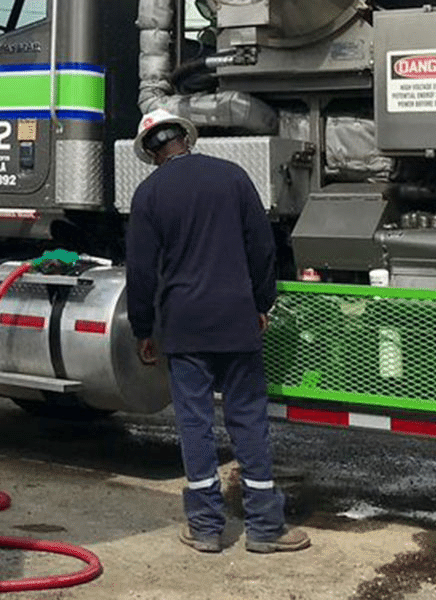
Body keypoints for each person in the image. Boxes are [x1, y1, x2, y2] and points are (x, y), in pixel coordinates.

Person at [124, 109, 311, 554]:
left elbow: (142, 271)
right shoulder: (232, 176)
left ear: (151, 153)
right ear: (186, 139)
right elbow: (262, 247)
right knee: (248, 420)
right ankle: (266, 528)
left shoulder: (149, 193)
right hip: (236, 320)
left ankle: (206, 527)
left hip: (184, 325)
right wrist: (261, 303)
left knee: (195, 423)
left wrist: (144, 328)